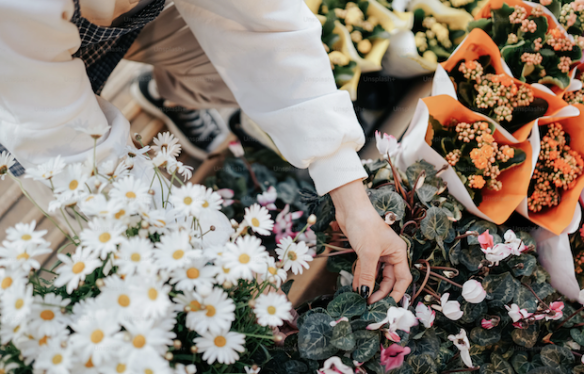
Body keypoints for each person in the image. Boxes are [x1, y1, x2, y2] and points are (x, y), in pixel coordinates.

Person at [0, 0, 411, 304]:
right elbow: (72, 151)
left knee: (230, 72)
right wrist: (220, 258)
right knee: (76, 193)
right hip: (17, 77)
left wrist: (351, 197)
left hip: (103, 27)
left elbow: (268, 31)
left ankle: (172, 97)